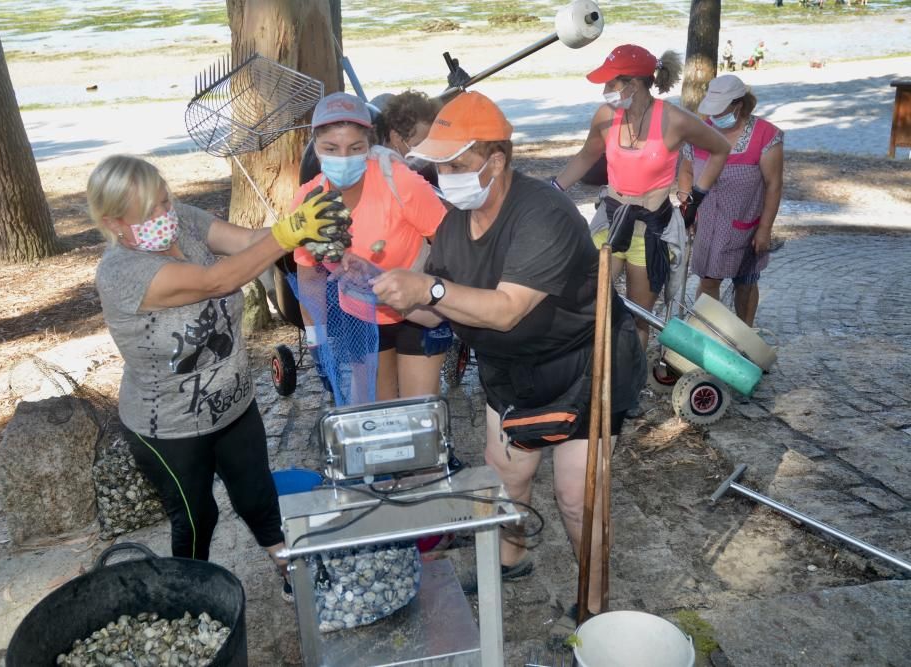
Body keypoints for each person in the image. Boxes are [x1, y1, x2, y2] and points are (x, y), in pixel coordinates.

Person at [370, 91, 646, 618]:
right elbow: (439, 311)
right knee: (506, 478)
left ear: (495, 161)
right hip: (509, 369)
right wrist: (387, 294)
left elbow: (504, 310)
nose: (444, 176)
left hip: (584, 363)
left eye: (457, 165)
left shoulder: (542, 213)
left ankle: (593, 606)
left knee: (575, 497)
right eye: (439, 165)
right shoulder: (454, 223)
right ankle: (511, 556)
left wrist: (427, 289)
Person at [88, 154, 349, 601]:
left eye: (164, 201)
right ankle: (191, 597)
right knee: (195, 516)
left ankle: (289, 569)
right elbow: (217, 281)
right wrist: (290, 233)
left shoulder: (182, 222)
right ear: (115, 223)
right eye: (147, 212)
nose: (163, 216)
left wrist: (302, 232)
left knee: (257, 493)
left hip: (233, 401)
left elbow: (249, 241)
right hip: (167, 426)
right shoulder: (122, 274)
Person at [552, 44, 731, 350]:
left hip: (650, 229)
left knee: (639, 316)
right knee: (589, 302)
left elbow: (720, 149)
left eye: (611, 84)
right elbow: (585, 157)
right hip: (610, 219)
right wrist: (552, 190)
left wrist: (696, 197)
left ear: (633, 84)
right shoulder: (605, 116)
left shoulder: (674, 119)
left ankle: (630, 381)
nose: (604, 91)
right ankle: (595, 372)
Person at [294, 92, 450, 401]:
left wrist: (444, 296)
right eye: (330, 148)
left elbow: (448, 240)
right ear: (315, 148)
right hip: (362, 315)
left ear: (370, 145)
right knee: (377, 414)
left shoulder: (400, 182)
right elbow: (309, 276)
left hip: (417, 311)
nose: (343, 157)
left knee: (418, 413)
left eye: (355, 148)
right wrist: (317, 341)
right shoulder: (306, 201)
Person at [678, 75, 784, 326]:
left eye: (720, 110)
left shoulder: (766, 135)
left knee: (745, 281)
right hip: (707, 221)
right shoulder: (700, 130)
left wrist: (765, 229)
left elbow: (774, 185)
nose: (714, 117)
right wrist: (686, 208)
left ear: (738, 105)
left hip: (745, 221)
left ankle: (744, 335)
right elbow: (686, 171)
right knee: (708, 280)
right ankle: (706, 332)